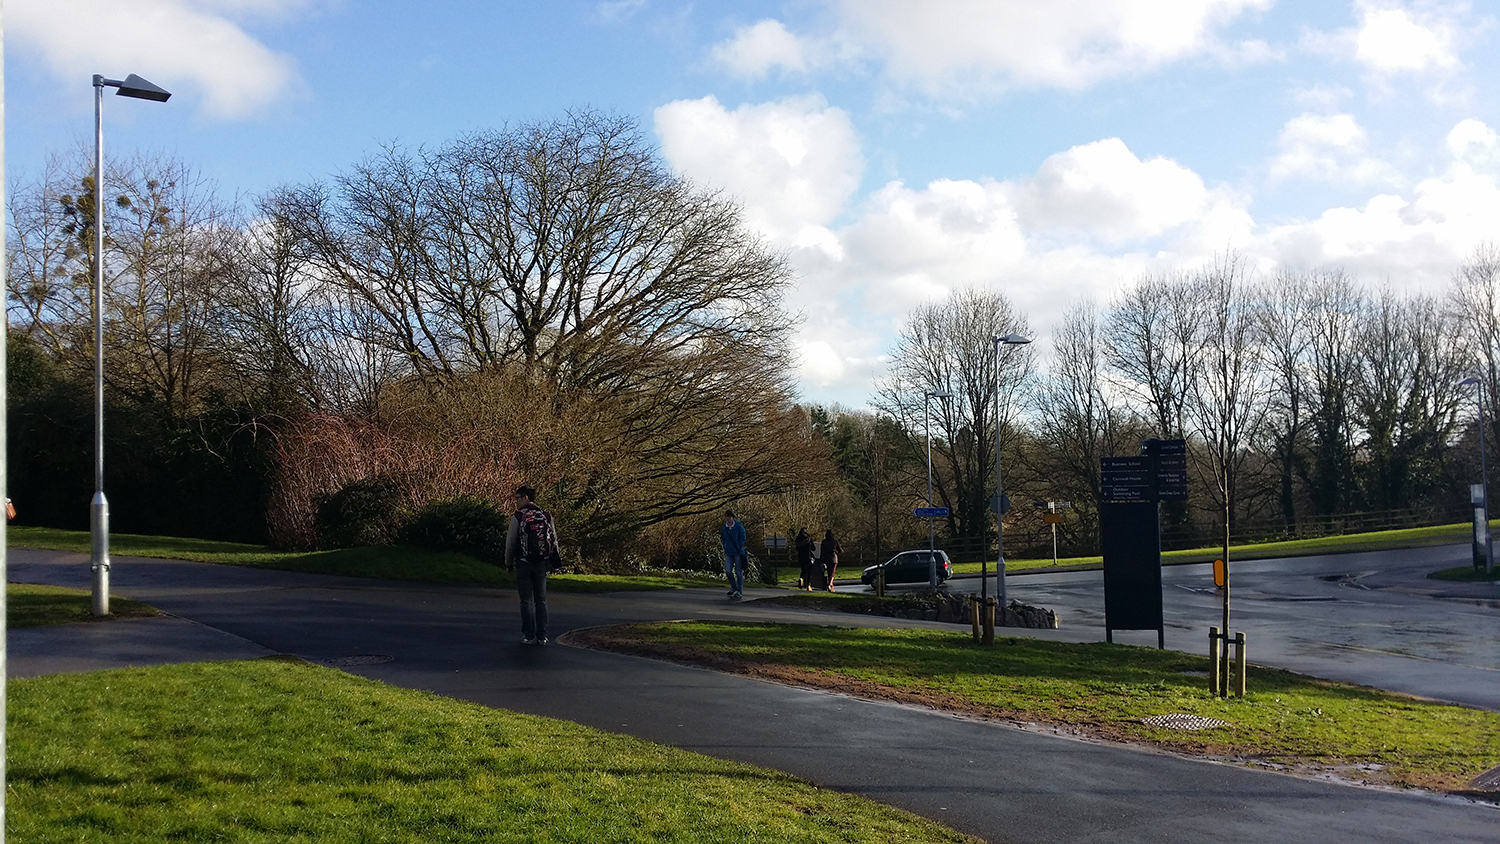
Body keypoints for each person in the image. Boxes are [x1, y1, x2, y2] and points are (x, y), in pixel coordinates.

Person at [506, 484, 559, 645]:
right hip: (541, 563)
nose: (516, 502)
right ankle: (542, 636)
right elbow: (554, 541)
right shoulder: (546, 516)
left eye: (518, 498)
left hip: (523, 562)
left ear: (526, 498)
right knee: (541, 600)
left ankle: (528, 636)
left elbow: (511, 542)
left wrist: (508, 563)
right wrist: (554, 563)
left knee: (526, 600)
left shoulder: (518, 516)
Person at [720, 510, 747, 600]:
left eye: (729, 517)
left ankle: (739, 590)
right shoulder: (724, 528)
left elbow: (742, 538)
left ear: (733, 517)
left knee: (738, 572)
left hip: (738, 552)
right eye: (726, 517)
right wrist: (725, 546)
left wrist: (739, 547)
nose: (728, 519)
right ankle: (733, 586)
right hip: (729, 552)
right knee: (728, 571)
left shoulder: (739, 527)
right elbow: (723, 538)